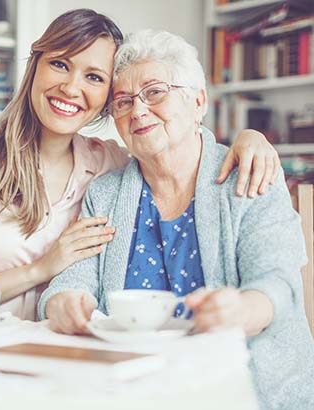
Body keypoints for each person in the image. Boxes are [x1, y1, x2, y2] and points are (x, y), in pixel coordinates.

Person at [0, 9, 280, 321]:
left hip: (67, 358)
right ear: (35, 66)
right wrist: (40, 270)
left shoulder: (111, 167)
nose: (71, 88)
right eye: (59, 64)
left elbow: (174, 141)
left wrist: (251, 137)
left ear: (106, 99)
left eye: (94, 77)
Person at [39, 29, 314, 410]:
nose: (137, 110)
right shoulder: (106, 192)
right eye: (122, 101)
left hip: (244, 391)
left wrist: (242, 310)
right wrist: (64, 303)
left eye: (155, 92)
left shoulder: (250, 173)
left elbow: (279, 284)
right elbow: (72, 280)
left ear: (198, 100)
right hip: (133, 391)